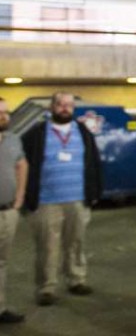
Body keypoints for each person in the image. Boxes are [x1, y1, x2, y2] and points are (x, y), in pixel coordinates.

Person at [22, 91, 102, 306]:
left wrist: (94, 193)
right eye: (60, 104)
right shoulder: (36, 135)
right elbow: (24, 167)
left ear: (73, 108)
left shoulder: (83, 132)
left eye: (69, 105)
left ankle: (76, 280)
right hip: (46, 202)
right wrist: (27, 198)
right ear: (52, 107)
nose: (64, 108)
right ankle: (46, 287)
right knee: (47, 246)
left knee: (76, 243)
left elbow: (94, 162)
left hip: (77, 200)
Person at [0, 99, 26, 324]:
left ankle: (0, 307)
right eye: (0, 113)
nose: (4, 117)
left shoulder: (13, 139)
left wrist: (19, 199)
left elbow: (22, 165)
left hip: (7, 213)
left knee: (2, 262)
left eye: (6, 112)